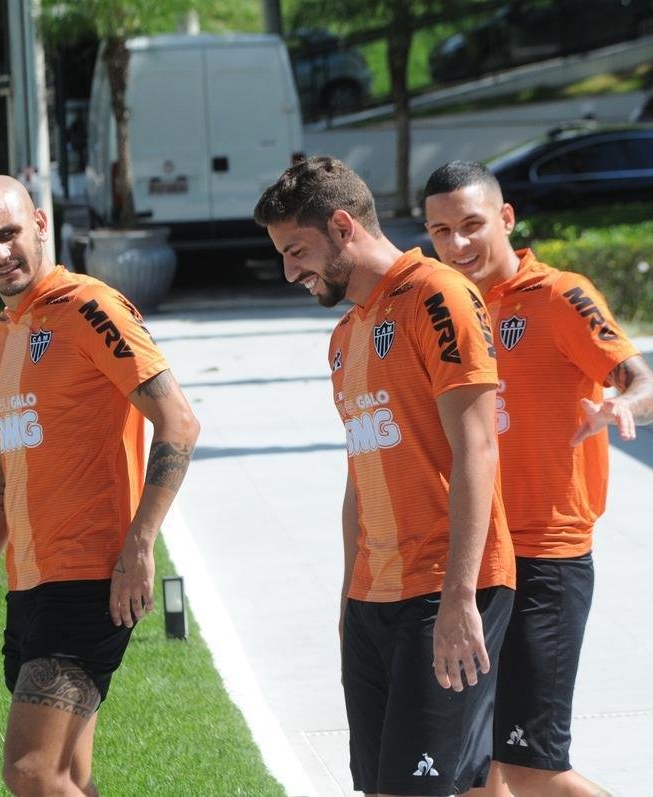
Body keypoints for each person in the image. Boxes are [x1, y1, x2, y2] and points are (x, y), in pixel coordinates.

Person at [254, 156, 517, 796]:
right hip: (375, 599)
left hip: (446, 593)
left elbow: (478, 449)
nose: (289, 271)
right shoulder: (346, 334)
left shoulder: (438, 294)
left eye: (297, 251)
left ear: (343, 226)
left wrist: (458, 599)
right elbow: (360, 476)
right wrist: (349, 599)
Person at [0, 175, 200, 796]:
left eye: (8, 234)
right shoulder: (3, 332)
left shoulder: (91, 307)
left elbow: (179, 422)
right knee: (68, 776)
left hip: (91, 577)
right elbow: (5, 470)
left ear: (39, 222)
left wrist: (140, 545)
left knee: (30, 770)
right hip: (31, 583)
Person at [423, 161, 653, 797]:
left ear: (506, 219)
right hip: (474, 561)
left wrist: (623, 405)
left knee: (536, 769)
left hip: (546, 561)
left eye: (472, 226)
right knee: (477, 770)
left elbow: (651, 388)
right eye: (440, 232)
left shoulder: (560, 294)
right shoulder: (447, 306)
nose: (457, 246)